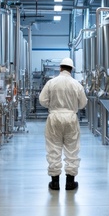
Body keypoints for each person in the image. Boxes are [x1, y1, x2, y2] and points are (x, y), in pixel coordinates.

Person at [39, 57, 88, 190]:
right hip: (71, 117)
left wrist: (53, 106)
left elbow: (42, 100)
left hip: (54, 117)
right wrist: (73, 105)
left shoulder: (51, 83)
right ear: (71, 69)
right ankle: (70, 182)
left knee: (53, 148)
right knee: (72, 149)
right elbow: (83, 103)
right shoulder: (76, 84)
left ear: (60, 68)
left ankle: (54, 182)